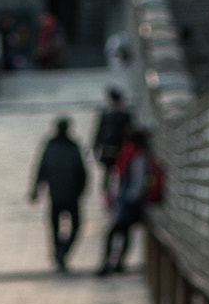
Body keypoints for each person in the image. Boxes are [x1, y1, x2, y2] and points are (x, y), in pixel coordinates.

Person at [29, 117, 88, 271]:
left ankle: (58, 252)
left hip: (55, 195)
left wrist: (36, 190)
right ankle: (63, 251)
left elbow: (41, 170)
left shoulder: (50, 146)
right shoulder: (73, 147)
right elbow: (82, 173)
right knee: (76, 226)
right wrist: (81, 191)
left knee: (54, 227)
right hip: (71, 196)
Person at [98, 124, 155, 275]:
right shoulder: (138, 154)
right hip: (128, 201)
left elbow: (135, 180)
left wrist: (127, 199)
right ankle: (118, 263)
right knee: (123, 233)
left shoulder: (135, 155)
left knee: (114, 232)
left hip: (128, 202)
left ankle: (109, 263)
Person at [92, 87, 132, 198]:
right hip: (115, 148)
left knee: (113, 172)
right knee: (114, 172)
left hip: (113, 148)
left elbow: (99, 132)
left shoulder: (108, 115)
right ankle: (110, 195)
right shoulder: (122, 115)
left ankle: (109, 195)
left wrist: (96, 145)